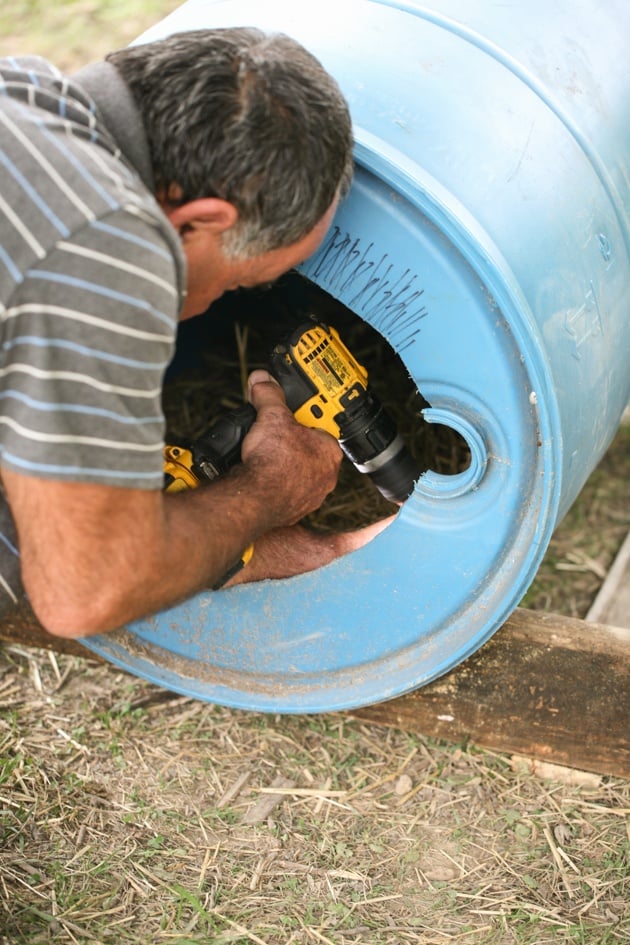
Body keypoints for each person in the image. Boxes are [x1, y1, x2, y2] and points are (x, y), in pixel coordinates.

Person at [0, 28, 388, 640]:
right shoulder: (104, 244)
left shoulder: (24, 92)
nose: (209, 307)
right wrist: (270, 488)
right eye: (234, 284)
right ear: (203, 220)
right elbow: (85, 591)